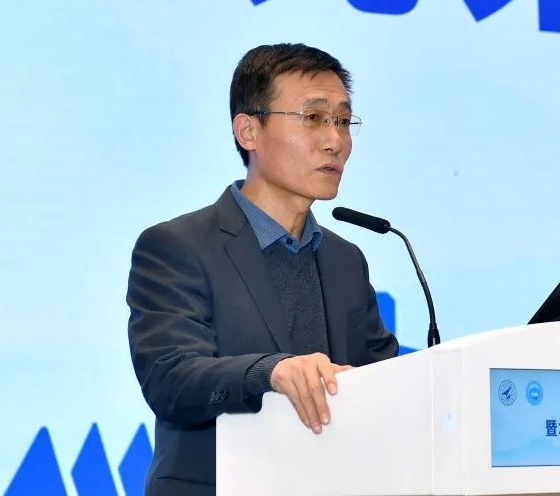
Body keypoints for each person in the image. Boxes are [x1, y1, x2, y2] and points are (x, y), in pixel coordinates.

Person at [127, 43, 398, 496]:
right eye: (313, 117)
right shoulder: (178, 247)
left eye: (343, 121)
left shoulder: (346, 260)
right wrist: (270, 372)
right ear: (248, 130)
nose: (334, 140)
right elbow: (170, 380)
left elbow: (383, 379)